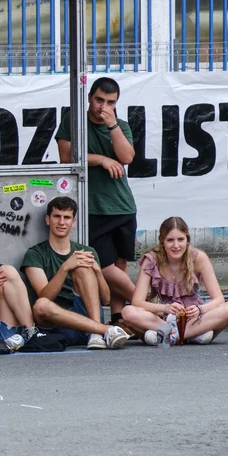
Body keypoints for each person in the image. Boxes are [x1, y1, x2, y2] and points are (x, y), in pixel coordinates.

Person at [56, 76, 138, 321]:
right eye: (99, 100)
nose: (104, 107)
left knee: (120, 264)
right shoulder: (73, 121)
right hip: (91, 207)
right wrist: (101, 160)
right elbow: (66, 157)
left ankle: (119, 317)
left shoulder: (120, 126)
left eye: (111, 102)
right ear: (89, 98)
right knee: (102, 264)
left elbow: (127, 157)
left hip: (121, 205)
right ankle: (148, 303)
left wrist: (112, 127)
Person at [22, 197, 130, 350]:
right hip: (59, 322)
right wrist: (65, 267)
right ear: (47, 219)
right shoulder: (35, 254)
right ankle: (104, 330)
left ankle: (96, 334)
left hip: (88, 314)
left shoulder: (87, 252)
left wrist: (97, 272)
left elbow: (106, 299)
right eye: (57, 216)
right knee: (40, 305)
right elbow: (45, 297)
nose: (61, 222)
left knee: (82, 267)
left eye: (67, 217)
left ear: (73, 222)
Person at [121, 216, 228, 346]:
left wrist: (200, 309)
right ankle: (191, 335)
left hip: (193, 319)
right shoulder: (152, 259)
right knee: (128, 312)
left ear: (187, 240)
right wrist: (165, 308)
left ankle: (171, 336)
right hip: (162, 319)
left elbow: (219, 299)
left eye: (181, 239)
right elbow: (137, 302)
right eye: (170, 240)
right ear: (162, 241)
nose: (176, 246)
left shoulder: (199, 258)